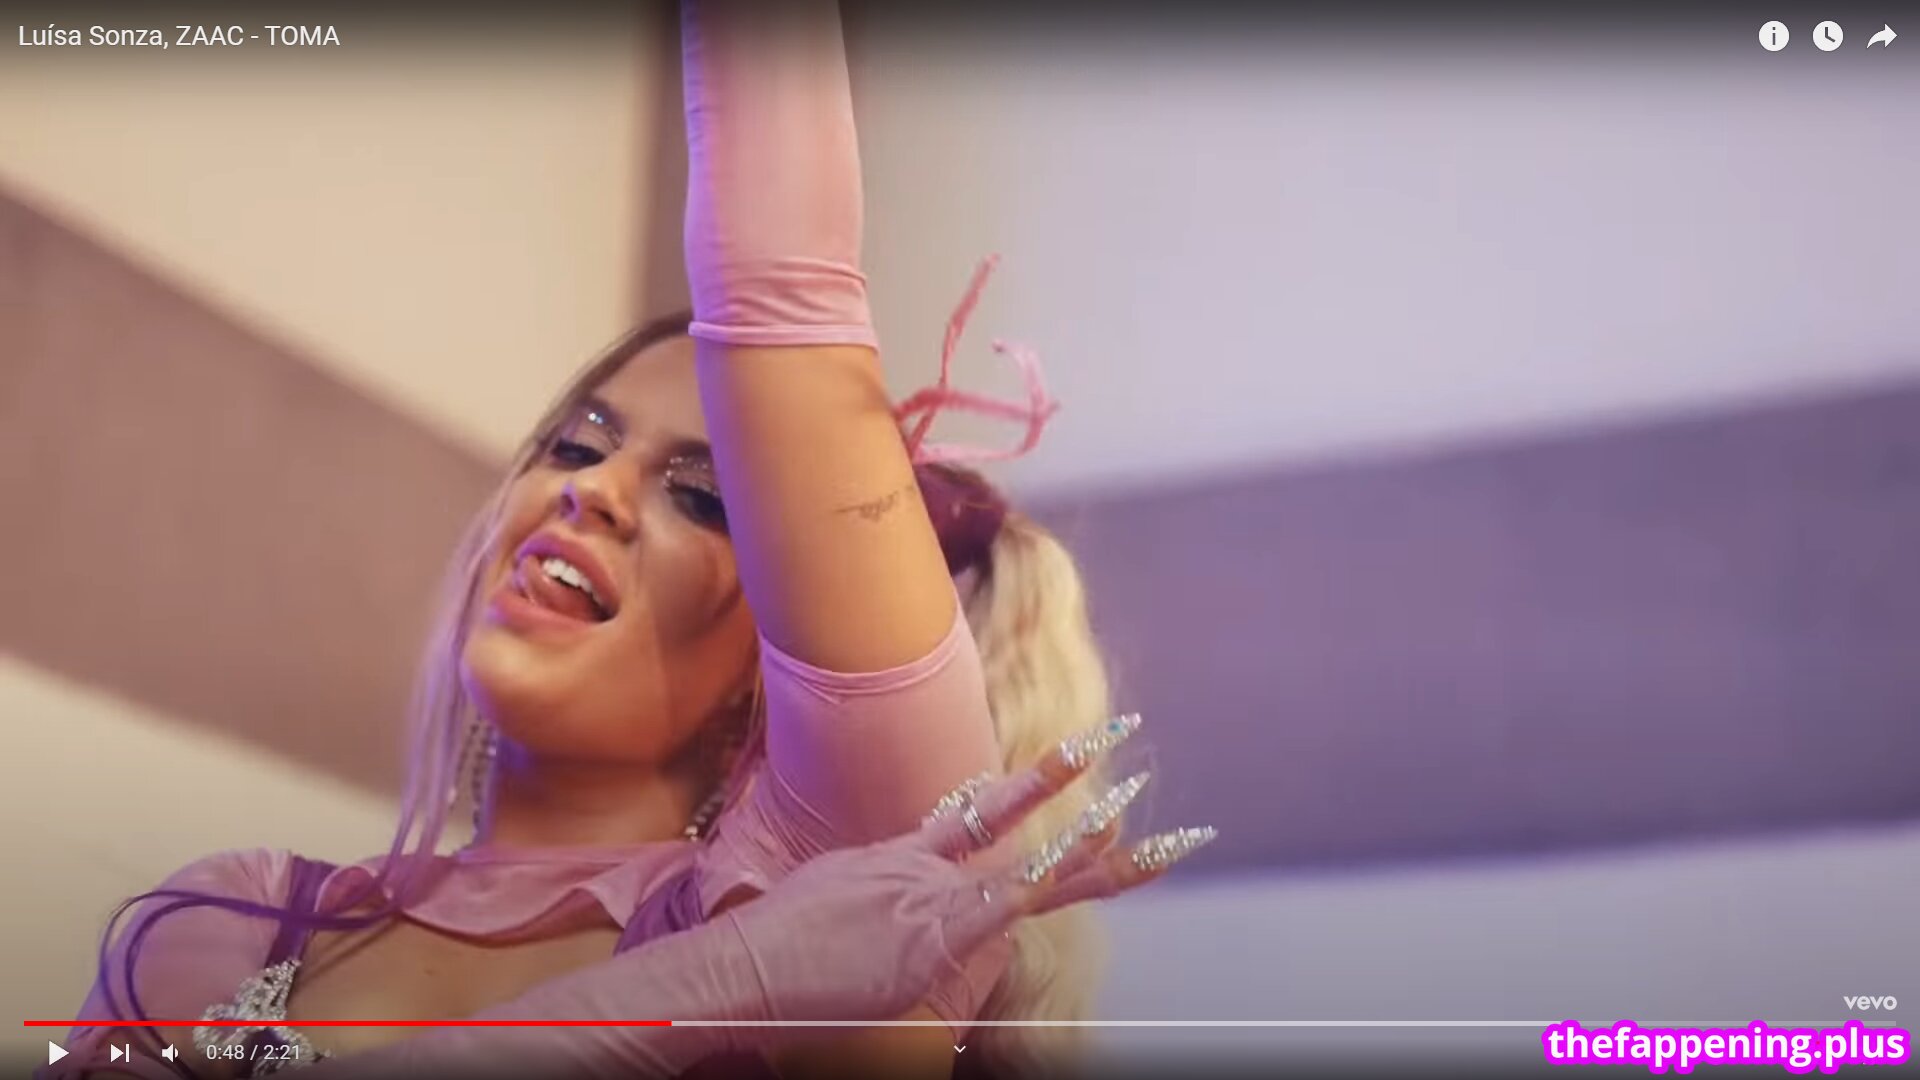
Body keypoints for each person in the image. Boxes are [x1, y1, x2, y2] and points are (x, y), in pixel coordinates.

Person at [46, 2, 1217, 1077]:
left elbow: (785, 283)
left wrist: (741, 960)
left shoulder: (831, 887)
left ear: (781, 665)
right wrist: (723, 986)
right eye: (576, 442)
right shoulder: (241, 922)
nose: (594, 489)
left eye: (699, 496)